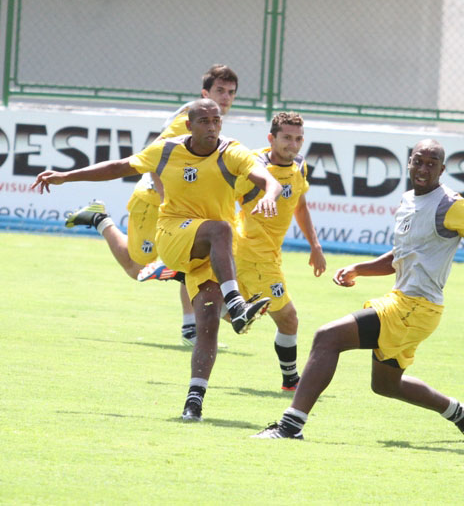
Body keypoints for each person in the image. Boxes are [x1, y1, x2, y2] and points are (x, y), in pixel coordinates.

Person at [253, 139, 464, 441]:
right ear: (409, 162)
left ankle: (290, 427)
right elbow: (400, 256)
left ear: (442, 169)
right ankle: (462, 413)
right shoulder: (408, 199)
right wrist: (360, 269)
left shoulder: (453, 206)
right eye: (418, 161)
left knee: (327, 337)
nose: (423, 169)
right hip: (405, 303)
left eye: (431, 164)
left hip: (417, 307)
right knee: (385, 385)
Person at [32, 98, 282, 422]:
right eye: (204, 121)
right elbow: (118, 167)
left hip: (207, 251)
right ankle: (235, 304)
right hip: (174, 234)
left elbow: (268, 180)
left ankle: (193, 404)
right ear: (189, 125)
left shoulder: (231, 151)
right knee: (220, 230)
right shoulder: (166, 149)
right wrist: (67, 176)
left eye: (216, 120)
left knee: (206, 325)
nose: (212, 126)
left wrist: (272, 196)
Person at [64, 64, 241, 346]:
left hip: (176, 210)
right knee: (137, 269)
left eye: (231, 92)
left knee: (197, 260)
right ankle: (100, 220)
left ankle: (190, 329)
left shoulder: (209, 120)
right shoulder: (187, 118)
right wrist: (167, 199)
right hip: (152, 202)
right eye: (219, 91)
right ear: (204, 92)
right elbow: (156, 156)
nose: (226, 97)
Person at [234, 112, 326, 392]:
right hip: (251, 252)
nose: (293, 145)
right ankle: (291, 381)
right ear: (271, 138)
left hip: (271, 253)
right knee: (288, 317)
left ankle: (188, 275)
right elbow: (222, 197)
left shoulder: (299, 165)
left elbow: (299, 205)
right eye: (286, 138)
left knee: (237, 313)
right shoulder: (252, 168)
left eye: (298, 139)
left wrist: (315, 245)